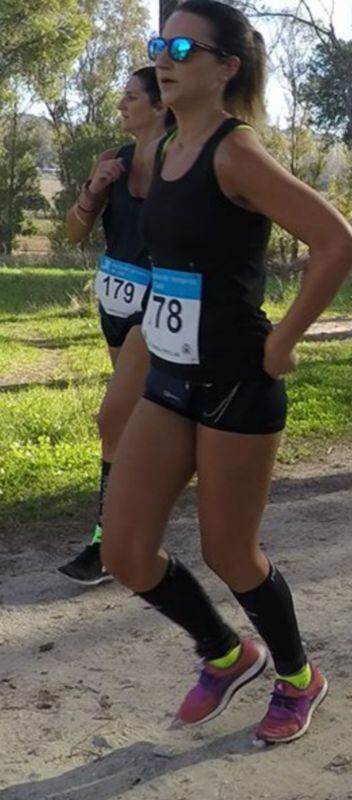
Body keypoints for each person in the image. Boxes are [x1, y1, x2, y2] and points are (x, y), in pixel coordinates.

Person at [100, 0, 352, 744]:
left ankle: (298, 676)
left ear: (226, 67)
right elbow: (173, 270)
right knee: (124, 550)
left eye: (184, 44)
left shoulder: (233, 150)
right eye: (160, 42)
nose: (165, 54)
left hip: (238, 382)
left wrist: (280, 345)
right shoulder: (165, 147)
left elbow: (337, 243)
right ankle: (223, 652)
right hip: (171, 379)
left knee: (229, 552)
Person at [58, 67, 172, 586]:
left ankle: (107, 544)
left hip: (158, 308)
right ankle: (132, 535)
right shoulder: (114, 161)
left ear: (160, 105)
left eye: (131, 98)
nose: (121, 105)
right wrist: (93, 190)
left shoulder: (181, 161)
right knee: (134, 425)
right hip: (115, 299)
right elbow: (75, 233)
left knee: (112, 419)